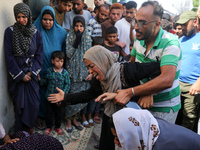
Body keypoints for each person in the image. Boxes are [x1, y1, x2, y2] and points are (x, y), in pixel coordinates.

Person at [48, 45, 161, 150]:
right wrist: (65, 97)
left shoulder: (127, 71)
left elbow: (158, 69)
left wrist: (148, 92)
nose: (90, 71)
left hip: (130, 122)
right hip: (110, 117)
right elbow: (87, 94)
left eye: (91, 66)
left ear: (103, 61)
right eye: (88, 68)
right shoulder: (100, 79)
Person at [120, 1, 181, 124]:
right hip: (140, 102)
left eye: (142, 23)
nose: (136, 27)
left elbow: (167, 79)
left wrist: (130, 92)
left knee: (158, 142)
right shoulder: (139, 39)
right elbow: (132, 66)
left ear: (157, 24)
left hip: (164, 106)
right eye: (135, 21)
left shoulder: (171, 43)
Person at [4, 3, 43, 133]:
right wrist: (21, 75)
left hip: (31, 73)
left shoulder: (36, 33)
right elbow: (9, 56)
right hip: (17, 74)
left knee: (34, 104)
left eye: (24, 16)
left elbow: (39, 55)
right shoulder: (10, 32)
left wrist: (31, 73)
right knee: (19, 105)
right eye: (18, 16)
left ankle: (29, 127)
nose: (21, 20)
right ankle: (20, 133)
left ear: (29, 16)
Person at [34, 6, 67, 130]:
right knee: (40, 93)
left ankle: (54, 118)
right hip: (39, 70)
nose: (47, 22)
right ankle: (41, 117)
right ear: (40, 19)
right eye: (45, 19)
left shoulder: (61, 32)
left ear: (54, 20)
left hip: (55, 70)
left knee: (53, 92)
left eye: (50, 19)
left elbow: (64, 52)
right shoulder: (34, 30)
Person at [110, 107, 200, 150]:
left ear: (134, 134)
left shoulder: (161, 146)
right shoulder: (148, 126)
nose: (115, 142)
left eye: (118, 138)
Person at [65, 15, 92, 132]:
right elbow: (69, 54)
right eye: (76, 26)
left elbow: (90, 56)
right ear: (73, 26)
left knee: (80, 97)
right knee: (71, 96)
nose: (79, 28)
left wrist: (90, 72)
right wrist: (76, 40)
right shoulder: (70, 36)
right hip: (72, 72)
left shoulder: (87, 37)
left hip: (83, 72)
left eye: (81, 26)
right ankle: (68, 121)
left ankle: (75, 119)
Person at [175, 11, 200, 132]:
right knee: (176, 116)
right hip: (177, 84)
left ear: (195, 22)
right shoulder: (180, 40)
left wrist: (198, 82)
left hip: (193, 87)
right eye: (181, 25)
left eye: (185, 24)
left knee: (189, 118)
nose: (183, 27)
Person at [39, 51, 70, 135]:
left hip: (60, 99)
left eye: (61, 61)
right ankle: (48, 127)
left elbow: (67, 84)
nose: (59, 63)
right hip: (50, 97)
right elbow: (45, 82)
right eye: (57, 61)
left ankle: (57, 127)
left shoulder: (65, 73)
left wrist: (64, 94)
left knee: (58, 114)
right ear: (52, 61)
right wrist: (40, 80)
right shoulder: (49, 71)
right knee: (48, 113)